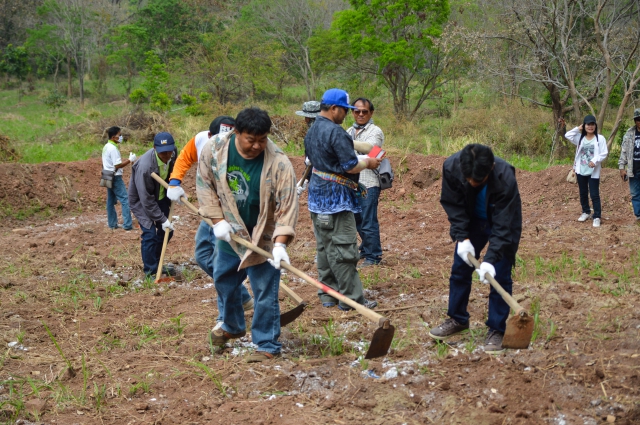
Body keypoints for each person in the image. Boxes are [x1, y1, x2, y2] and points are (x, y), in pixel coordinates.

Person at [196, 107, 298, 363]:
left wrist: (280, 245)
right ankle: (232, 325)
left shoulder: (279, 163)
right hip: (231, 231)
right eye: (250, 140)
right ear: (236, 133)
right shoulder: (215, 149)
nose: (257, 146)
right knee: (224, 280)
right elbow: (205, 184)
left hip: (263, 234)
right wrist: (217, 221)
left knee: (265, 291)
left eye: (262, 140)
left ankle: (266, 344)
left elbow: (287, 207)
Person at [429, 144, 522, 354]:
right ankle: (458, 319)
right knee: (460, 269)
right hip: (471, 220)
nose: (472, 183)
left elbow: (504, 225)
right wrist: (462, 237)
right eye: (468, 179)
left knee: (500, 273)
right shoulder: (451, 167)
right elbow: (453, 204)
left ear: (491, 168)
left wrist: (490, 259)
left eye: (477, 181)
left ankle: (497, 328)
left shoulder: (505, 176)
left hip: (500, 220)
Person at [166, 116, 254, 327]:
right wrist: (175, 182)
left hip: (233, 212)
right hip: (212, 210)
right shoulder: (200, 140)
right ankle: (242, 296)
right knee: (203, 255)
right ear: (209, 136)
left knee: (221, 262)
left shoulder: (241, 149)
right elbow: (185, 158)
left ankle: (225, 317)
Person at [304, 88, 381, 311]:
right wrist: (369, 163)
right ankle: (352, 299)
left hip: (317, 199)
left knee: (324, 248)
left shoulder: (312, 130)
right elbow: (350, 166)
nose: (347, 115)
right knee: (344, 250)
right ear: (334, 108)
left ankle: (328, 295)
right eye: (345, 110)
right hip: (336, 201)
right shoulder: (335, 132)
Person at [128, 132, 178, 277]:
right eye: (163, 153)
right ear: (155, 148)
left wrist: (175, 189)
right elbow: (146, 200)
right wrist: (162, 219)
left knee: (167, 231)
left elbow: (173, 173)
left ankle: (157, 264)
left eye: (169, 151)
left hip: (160, 196)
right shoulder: (145, 167)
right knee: (150, 234)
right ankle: (150, 271)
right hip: (142, 201)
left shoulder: (172, 154)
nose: (167, 155)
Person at [347, 97, 385, 267]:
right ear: (352, 112)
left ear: (371, 113)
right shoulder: (349, 131)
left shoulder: (375, 131)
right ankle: (366, 248)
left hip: (369, 182)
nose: (360, 114)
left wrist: (343, 141)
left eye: (364, 111)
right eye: (357, 111)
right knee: (357, 219)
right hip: (352, 182)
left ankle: (374, 255)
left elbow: (370, 148)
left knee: (368, 220)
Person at [564, 115, 608, 227]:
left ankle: (596, 216)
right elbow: (567, 135)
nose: (590, 127)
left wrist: (595, 160)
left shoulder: (600, 138)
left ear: (595, 126)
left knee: (594, 194)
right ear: (584, 126)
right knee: (583, 193)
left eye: (592, 124)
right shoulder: (580, 138)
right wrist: (577, 128)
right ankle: (586, 212)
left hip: (593, 171)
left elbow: (604, 152)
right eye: (588, 124)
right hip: (581, 170)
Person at [102, 126, 135, 230]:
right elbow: (117, 165)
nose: (121, 137)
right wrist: (130, 160)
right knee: (125, 199)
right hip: (115, 176)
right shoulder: (113, 149)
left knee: (110, 200)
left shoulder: (106, 146)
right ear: (113, 137)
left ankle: (112, 224)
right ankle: (128, 225)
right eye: (119, 135)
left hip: (107, 174)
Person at [618, 108, 640, 220]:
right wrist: (622, 167)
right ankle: (638, 216)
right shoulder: (629, 133)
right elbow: (624, 151)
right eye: (638, 119)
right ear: (635, 121)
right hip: (634, 169)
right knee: (635, 193)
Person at [295, 100, 320, 196]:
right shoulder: (329, 130)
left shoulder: (313, 135)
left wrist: (305, 178)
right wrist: (305, 179)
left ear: (308, 118)